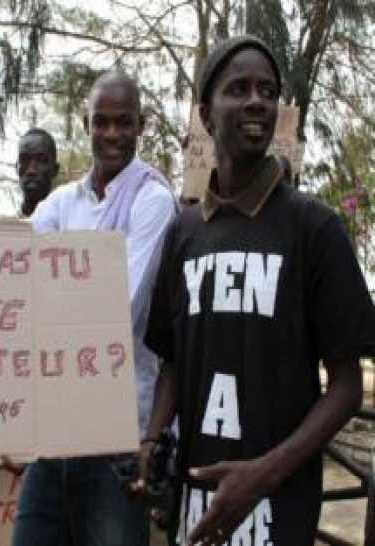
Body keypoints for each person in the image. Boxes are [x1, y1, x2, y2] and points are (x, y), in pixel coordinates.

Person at [142, 35, 375, 546]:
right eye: (239, 88)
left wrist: (264, 473)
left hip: (277, 515)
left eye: (267, 91)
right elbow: (172, 363)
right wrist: (152, 440)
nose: (256, 101)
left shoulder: (314, 229)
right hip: (194, 515)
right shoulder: (183, 232)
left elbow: (345, 388)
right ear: (206, 113)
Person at [10, 72, 178, 546]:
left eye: (123, 122)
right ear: (85, 124)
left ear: (141, 124)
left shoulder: (153, 200)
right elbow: (9, 274)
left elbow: (114, 309)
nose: (111, 134)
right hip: (52, 432)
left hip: (116, 439)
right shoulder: (62, 202)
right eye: (100, 122)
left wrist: (43, 299)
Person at [17, 128, 59, 218]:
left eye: (42, 160)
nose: (31, 170)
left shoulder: (69, 225)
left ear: (55, 170)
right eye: (25, 159)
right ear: (16, 167)